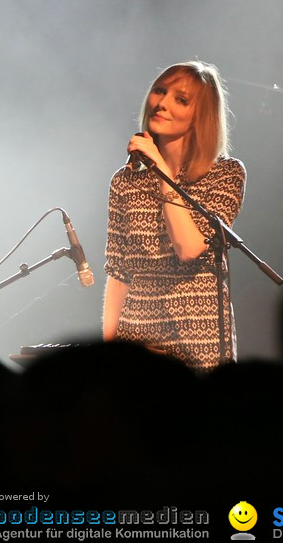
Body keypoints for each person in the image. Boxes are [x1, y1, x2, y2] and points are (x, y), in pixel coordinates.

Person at [102, 60, 246, 371]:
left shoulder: (225, 175)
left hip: (198, 338)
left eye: (180, 99)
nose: (162, 103)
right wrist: (107, 353)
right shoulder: (125, 181)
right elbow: (118, 273)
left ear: (200, 117)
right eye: (159, 91)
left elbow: (189, 248)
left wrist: (163, 173)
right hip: (136, 335)